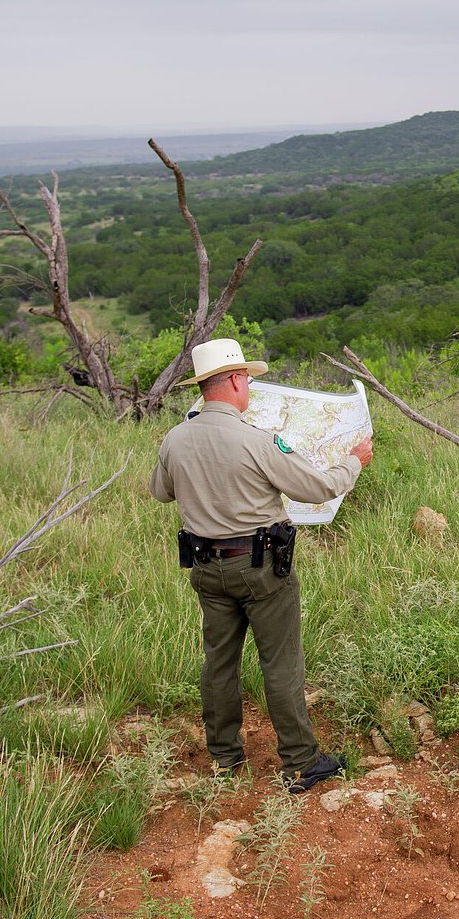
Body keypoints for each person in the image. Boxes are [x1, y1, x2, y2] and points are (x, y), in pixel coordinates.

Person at [150, 338, 372, 793]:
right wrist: (355, 461)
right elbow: (318, 489)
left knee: (218, 663)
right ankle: (300, 762)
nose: (248, 385)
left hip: (206, 569)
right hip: (263, 569)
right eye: (246, 378)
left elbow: (161, 491)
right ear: (234, 380)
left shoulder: (175, 438)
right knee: (280, 664)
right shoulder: (256, 441)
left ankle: (225, 759)